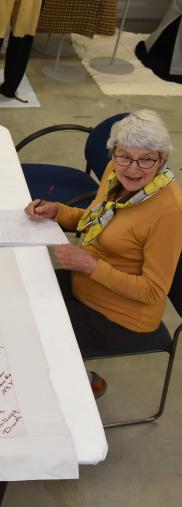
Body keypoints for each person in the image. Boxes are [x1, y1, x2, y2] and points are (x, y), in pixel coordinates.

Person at [24, 110, 182, 396]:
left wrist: (91, 266)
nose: (133, 169)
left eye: (147, 159)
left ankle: (69, 389)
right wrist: (58, 211)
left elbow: (153, 291)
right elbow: (99, 219)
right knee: (18, 292)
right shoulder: (115, 174)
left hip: (121, 318)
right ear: (113, 153)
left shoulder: (169, 212)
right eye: (124, 156)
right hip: (86, 284)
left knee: (29, 329)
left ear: (162, 160)